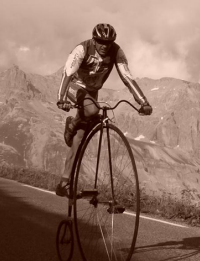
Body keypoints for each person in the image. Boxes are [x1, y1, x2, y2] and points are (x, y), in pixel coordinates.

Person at [54, 23, 152, 196]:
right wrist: (61, 99)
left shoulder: (117, 52)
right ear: (94, 39)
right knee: (92, 111)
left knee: (80, 137)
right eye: (100, 41)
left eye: (108, 42)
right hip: (74, 86)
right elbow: (67, 73)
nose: (103, 46)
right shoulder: (82, 49)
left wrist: (143, 102)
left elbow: (127, 77)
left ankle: (64, 182)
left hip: (92, 92)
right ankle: (72, 124)